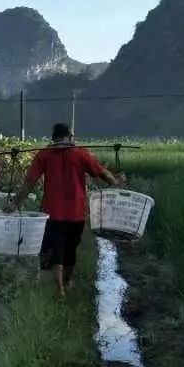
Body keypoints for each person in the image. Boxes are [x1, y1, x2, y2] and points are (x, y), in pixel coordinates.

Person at [10, 123, 119, 295]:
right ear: (70, 137)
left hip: (52, 212)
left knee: (56, 248)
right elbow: (102, 173)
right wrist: (116, 183)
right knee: (70, 249)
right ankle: (65, 284)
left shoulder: (44, 155)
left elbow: (29, 182)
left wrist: (15, 203)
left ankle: (60, 288)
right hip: (76, 213)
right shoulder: (81, 153)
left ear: (53, 138)